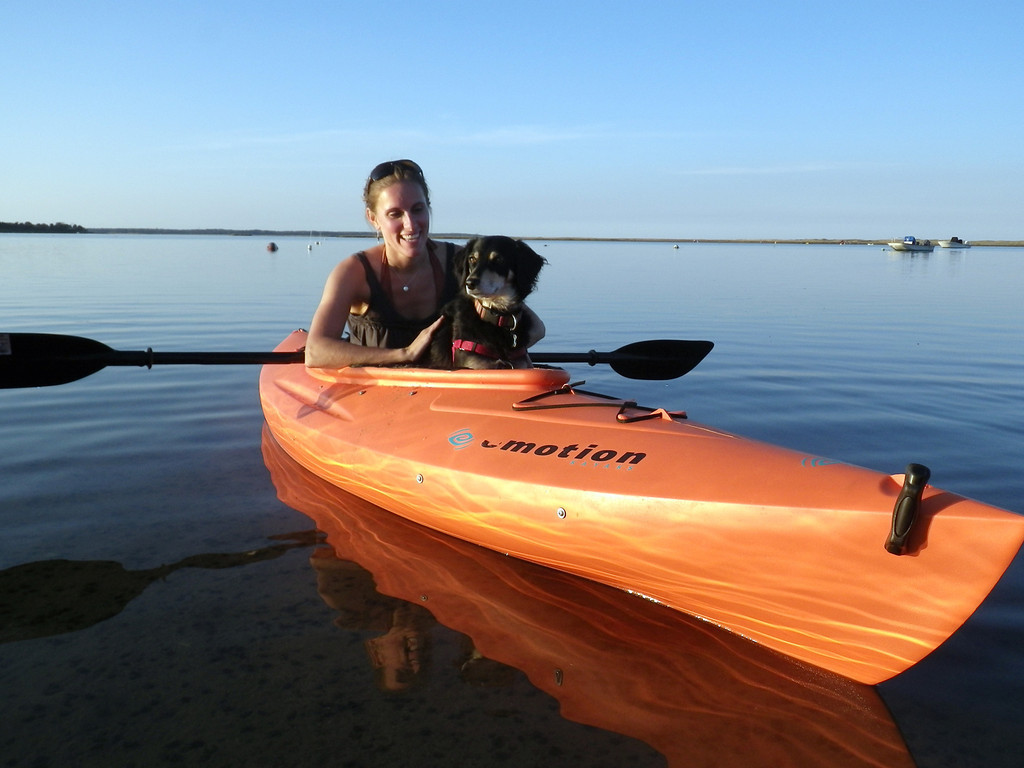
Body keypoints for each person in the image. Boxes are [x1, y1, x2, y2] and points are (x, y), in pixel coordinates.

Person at [305, 159, 544, 368]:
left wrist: (509, 349)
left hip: (445, 398)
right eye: (395, 214)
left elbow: (534, 326)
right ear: (373, 218)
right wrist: (404, 354)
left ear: (428, 208)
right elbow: (316, 352)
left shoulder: (461, 261)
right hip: (372, 398)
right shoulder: (354, 272)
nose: (411, 224)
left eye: (418, 209)